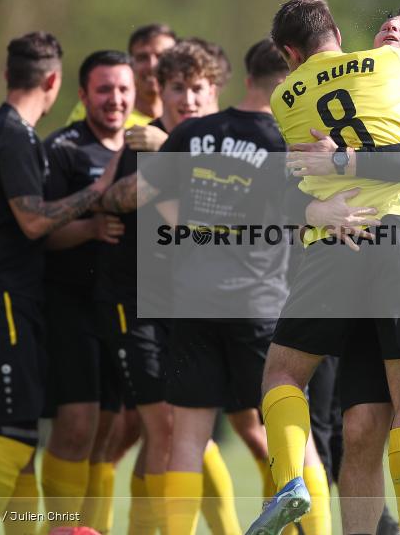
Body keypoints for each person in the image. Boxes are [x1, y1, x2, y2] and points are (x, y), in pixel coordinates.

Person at [247, 0, 400, 535]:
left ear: (288, 53)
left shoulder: (284, 96)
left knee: (282, 372)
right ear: (335, 31)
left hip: (335, 240)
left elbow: (288, 178)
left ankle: (290, 482)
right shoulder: (391, 64)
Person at [0, 31, 118, 535]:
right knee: (17, 437)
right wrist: (98, 191)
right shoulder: (15, 136)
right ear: (54, 81)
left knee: (19, 435)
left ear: (8, 75)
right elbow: (33, 221)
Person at [128, 38, 295, 535]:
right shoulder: (284, 139)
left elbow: (155, 203)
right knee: (290, 437)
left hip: (192, 302)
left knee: (186, 439)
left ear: (243, 78)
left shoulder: (191, 134)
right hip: (258, 302)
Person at [99, 39, 251, 535]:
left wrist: (169, 156)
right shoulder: (141, 141)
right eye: (178, 88)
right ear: (160, 92)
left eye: (198, 89)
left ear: (216, 91)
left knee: (224, 428)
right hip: (139, 303)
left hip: (206, 305)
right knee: (168, 428)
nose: (189, 99)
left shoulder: (223, 144)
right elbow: (118, 198)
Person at [38, 50, 135, 531]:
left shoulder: (145, 144)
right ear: (83, 94)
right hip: (69, 306)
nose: (115, 99)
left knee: (111, 432)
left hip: (123, 308)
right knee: (76, 425)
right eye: (104, 89)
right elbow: (40, 232)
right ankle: (58, 529)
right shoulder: (62, 149)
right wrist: (91, 228)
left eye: (123, 89)